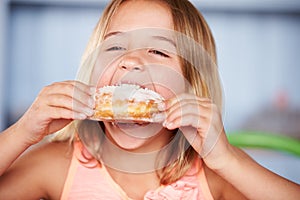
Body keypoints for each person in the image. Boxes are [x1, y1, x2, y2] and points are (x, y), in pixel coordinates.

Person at [0, 0, 299, 199]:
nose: (131, 60)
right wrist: (22, 133)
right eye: (115, 47)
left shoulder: (215, 175)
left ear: (191, 84)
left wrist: (227, 159)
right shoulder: (59, 164)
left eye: (157, 51)